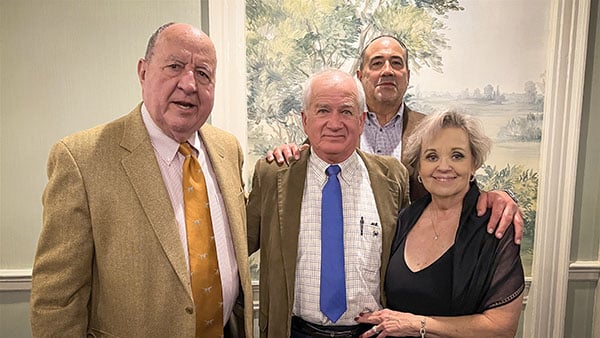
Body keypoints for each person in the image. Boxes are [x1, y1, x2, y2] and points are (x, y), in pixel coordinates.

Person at [30, 23, 253, 338]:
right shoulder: (81, 158)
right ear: (143, 72)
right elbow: (57, 299)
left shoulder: (228, 149)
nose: (189, 84)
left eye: (203, 73)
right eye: (175, 66)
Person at [265, 35, 524, 244]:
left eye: (396, 63)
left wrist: (501, 194)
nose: (387, 70)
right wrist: (286, 152)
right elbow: (307, 166)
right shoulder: (338, 130)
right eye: (377, 63)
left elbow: (460, 184)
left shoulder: (430, 132)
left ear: (408, 76)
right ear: (360, 76)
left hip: (412, 266)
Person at [246, 69, 411, 337]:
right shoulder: (274, 174)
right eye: (323, 111)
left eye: (346, 112)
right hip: (295, 331)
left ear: (361, 120)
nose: (335, 123)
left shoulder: (392, 177)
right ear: (305, 120)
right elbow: (236, 243)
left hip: (370, 332)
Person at [356, 111, 524, 338]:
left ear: (474, 164)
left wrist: (417, 324)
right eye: (432, 157)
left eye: (457, 156)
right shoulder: (406, 218)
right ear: (419, 167)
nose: (444, 166)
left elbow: (501, 328)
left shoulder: (496, 225)